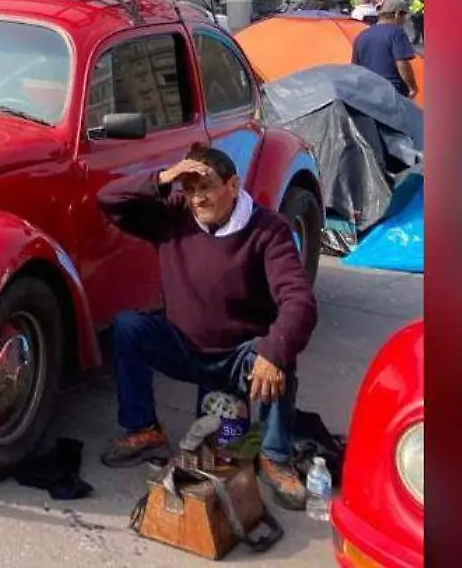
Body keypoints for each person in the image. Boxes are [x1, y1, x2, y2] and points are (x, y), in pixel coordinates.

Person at [96, 146, 318, 511]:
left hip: (240, 357)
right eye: (190, 188)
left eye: (208, 187)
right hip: (184, 346)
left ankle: (275, 456)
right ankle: (145, 430)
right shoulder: (173, 215)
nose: (198, 197)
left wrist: (274, 351)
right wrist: (165, 177)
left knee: (276, 360)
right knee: (128, 328)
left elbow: (299, 301)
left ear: (233, 185)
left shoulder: (268, 229)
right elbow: (110, 199)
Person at [352, 0, 419, 97]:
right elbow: (402, 64)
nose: (404, 19)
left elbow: (355, 67)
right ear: (397, 14)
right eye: (404, 15)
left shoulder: (362, 35)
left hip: (367, 92)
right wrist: (412, 88)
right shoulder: (396, 33)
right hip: (392, 92)